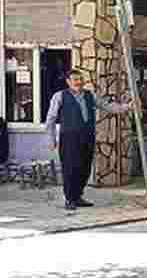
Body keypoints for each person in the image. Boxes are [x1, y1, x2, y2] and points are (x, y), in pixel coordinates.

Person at [45, 68, 132, 210]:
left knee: (84, 168)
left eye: (80, 79)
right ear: (68, 81)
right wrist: (51, 138)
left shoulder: (90, 95)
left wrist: (127, 107)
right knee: (70, 168)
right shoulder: (59, 96)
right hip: (69, 138)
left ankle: (78, 196)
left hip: (87, 136)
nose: (79, 82)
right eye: (75, 80)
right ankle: (69, 199)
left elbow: (108, 107)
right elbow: (51, 119)